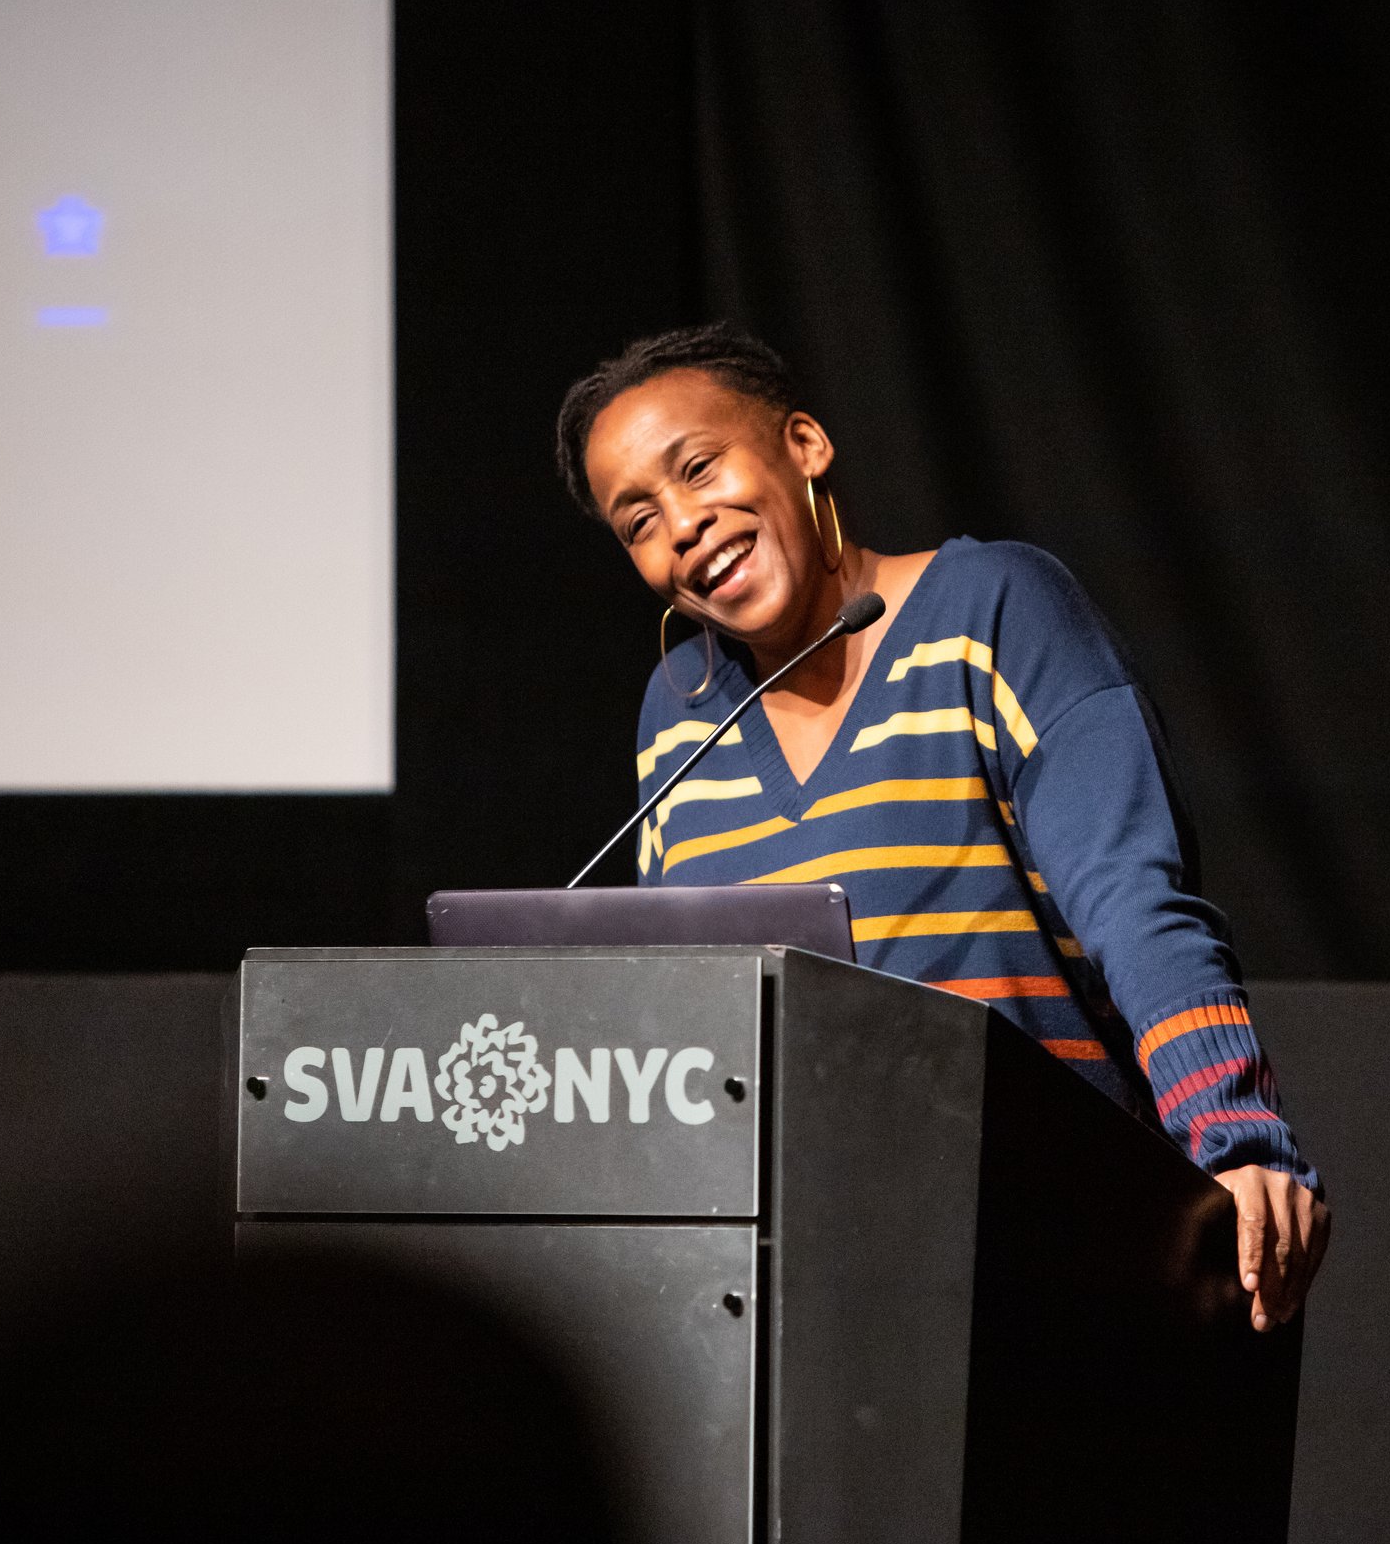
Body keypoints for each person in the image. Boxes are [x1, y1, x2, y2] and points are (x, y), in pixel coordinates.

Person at [557, 324, 1328, 1332]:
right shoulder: (679, 712)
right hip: (788, 1290)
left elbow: (1132, 897)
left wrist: (1233, 1134)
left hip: (1043, 1251)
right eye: (639, 519)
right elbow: (692, 1021)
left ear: (803, 443)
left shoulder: (993, 606)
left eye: (699, 468)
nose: (683, 526)